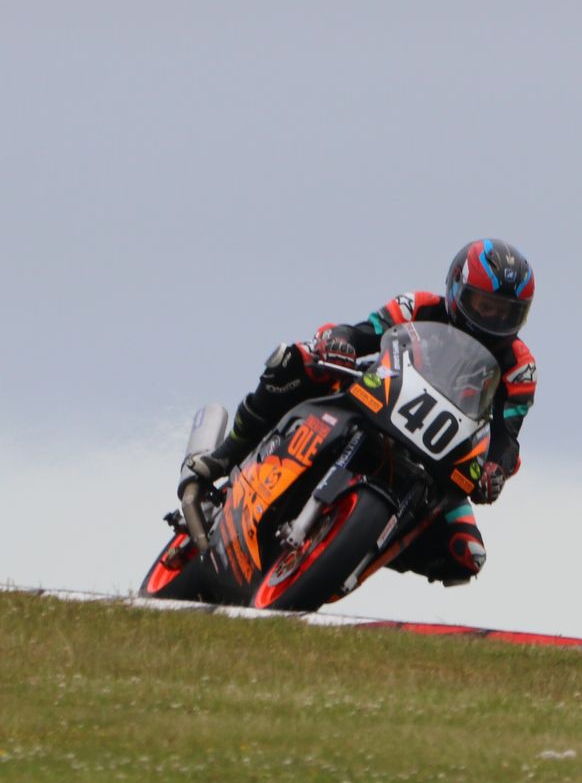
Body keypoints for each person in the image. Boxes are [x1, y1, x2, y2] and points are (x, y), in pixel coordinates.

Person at [183, 238, 539, 585]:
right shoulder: (417, 305)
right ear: (457, 288)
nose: (492, 318)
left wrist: (496, 470)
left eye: (505, 312)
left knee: (466, 554)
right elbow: (362, 332)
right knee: (295, 359)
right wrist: (337, 342)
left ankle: (352, 545)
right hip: (376, 398)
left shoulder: (519, 368)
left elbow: (507, 437)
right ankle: (225, 454)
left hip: (439, 454)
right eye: (484, 305)